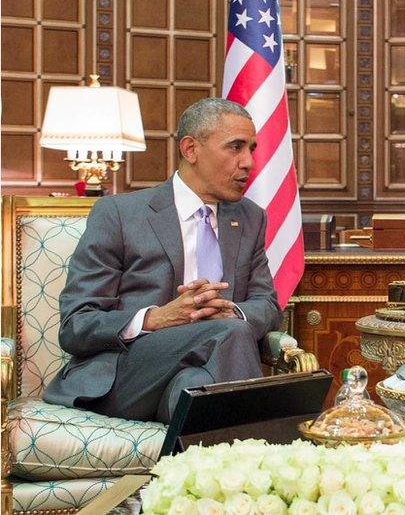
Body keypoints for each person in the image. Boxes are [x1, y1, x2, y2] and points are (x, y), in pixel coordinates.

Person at [43, 98, 282, 424]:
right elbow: (76, 326)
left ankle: (217, 469)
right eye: (236, 147)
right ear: (190, 149)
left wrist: (232, 310)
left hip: (199, 373)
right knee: (232, 333)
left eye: (251, 149)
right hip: (128, 375)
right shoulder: (119, 215)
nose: (249, 162)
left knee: (194, 386)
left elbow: (266, 304)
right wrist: (155, 318)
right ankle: (266, 450)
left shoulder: (251, 218)